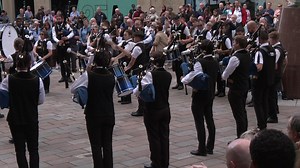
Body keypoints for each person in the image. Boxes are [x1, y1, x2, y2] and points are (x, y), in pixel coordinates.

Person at [0, 44, 45, 168]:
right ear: (29, 64)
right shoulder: (37, 80)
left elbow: (2, 95)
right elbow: (41, 100)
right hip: (31, 117)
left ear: (16, 64)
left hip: (15, 118)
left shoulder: (8, 80)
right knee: (33, 149)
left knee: (20, 150)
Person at [70, 48, 115, 168]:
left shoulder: (89, 75)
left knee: (95, 145)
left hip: (93, 113)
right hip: (109, 112)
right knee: (107, 145)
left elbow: (73, 88)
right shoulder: (112, 75)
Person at [133, 51, 172, 168]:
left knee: (154, 137)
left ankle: (156, 162)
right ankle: (165, 162)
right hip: (165, 108)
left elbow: (137, 91)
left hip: (153, 109)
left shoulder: (150, 75)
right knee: (164, 136)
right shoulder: (168, 75)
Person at [182, 40, 219, 156]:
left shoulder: (200, 62)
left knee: (199, 121)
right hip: (211, 92)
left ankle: (201, 148)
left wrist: (184, 79)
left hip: (200, 93)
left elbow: (196, 76)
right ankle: (210, 146)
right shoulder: (215, 61)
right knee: (209, 119)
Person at [222, 35, 250, 138]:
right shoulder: (247, 54)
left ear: (238, 44)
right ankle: (244, 134)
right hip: (244, 85)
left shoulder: (235, 58)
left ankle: (240, 136)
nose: (233, 44)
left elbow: (226, 73)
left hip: (236, 88)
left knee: (238, 114)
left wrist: (225, 77)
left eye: (234, 42)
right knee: (242, 111)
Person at [252, 30, 275, 130]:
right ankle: (264, 123)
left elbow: (259, 67)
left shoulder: (259, 51)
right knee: (265, 101)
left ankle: (261, 125)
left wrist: (251, 69)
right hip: (269, 79)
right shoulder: (272, 49)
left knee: (258, 103)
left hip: (259, 81)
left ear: (260, 39)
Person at [267, 31, 287, 123]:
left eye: (270, 39)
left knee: (271, 95)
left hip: (274, 75)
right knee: (272, 94)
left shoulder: (277, 50)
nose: (269, 41)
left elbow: (274, 63)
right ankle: (274, 110)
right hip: (276, 74)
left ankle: (273, 115)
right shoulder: (279, 48)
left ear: (273, 39)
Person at [169, 15, 193, 90]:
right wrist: (169, 41)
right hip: (174, 48)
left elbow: (190, 38)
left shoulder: (184, 27)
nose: (175, 22)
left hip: (181, 48)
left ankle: (182, 83)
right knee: (175, 66)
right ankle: (178, 82)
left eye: (176, 20)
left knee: (180, 65)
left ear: (179, 20)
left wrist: (184, 41)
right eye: (174, 21)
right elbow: (171, 36)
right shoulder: (172, 27)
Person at [52, 15, 74, 83]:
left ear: (62, 19)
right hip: (59, 46)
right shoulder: (54, 28)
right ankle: (63, 76)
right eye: (57, 19)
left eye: (60, 19)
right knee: (61, 61)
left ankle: (68, 76)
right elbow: (54, 36)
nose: (59, 20)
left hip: (66, 45)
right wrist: (58, 41)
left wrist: (67, 37)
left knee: (67, 61)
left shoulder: (66, 25)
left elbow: (72, 33)